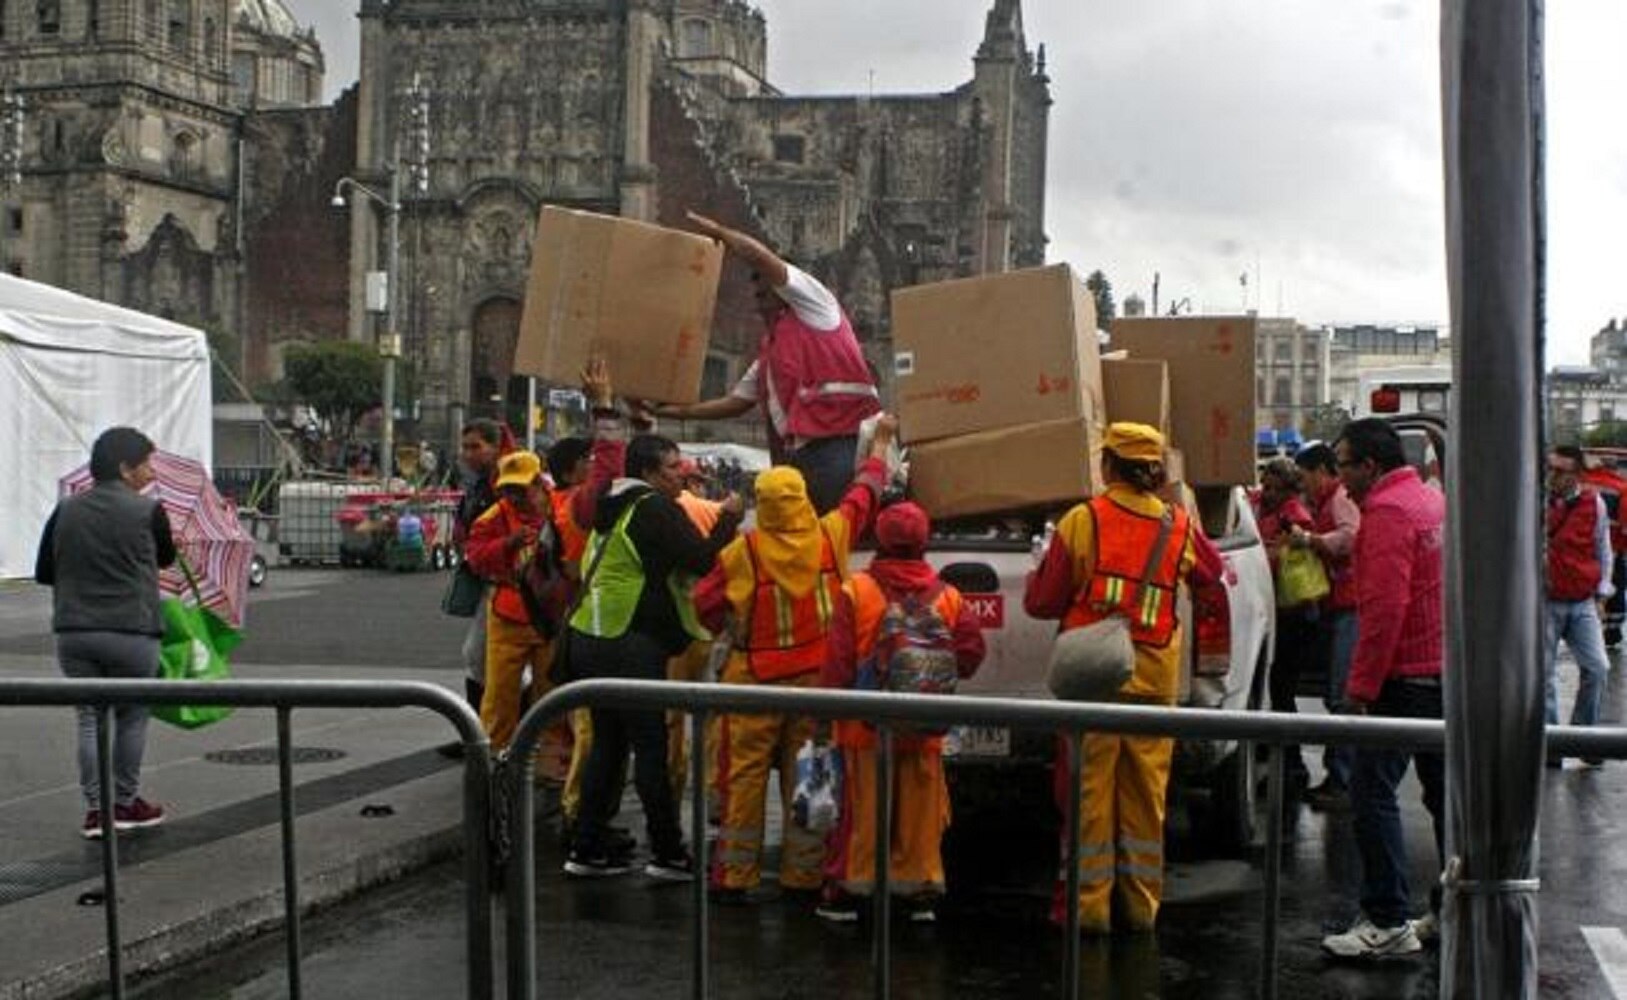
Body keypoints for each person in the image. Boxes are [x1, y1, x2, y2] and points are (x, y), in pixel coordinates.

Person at [692, 417, 897, 902]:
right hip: (816, 686)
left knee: (743, 778)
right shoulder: (831, 535)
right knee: (813, 775)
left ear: (762, 505)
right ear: (803, 497)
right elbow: (864, 493)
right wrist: (882, 444)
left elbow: (706, 605)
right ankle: (803, 875)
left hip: (754, 684)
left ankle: (735, 876)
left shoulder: (742, 553)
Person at [1024, 422, 1197, 934]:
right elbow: (1208, 577)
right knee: (1147, 799)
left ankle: (1088, 910)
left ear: (1109, 467)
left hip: (1094, 679)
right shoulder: (1181, 525)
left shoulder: (1082, 520)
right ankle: (1141, 909)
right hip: (1155, 680)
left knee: (1087, 797)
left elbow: (1043, 602)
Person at [564, 417, 744, 879]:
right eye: (670, 469)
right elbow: (703, 560)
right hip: (631, 639)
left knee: (608, 742)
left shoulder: (611, 503)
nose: (678, 477)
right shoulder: (653, 508)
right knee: (650, 747)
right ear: (646, 472)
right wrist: (728, 518)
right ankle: (667, 850)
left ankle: (588, 846)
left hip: (590, 636)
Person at [817, 501, 986, 923]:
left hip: (864, 728)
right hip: (924, 728)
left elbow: (837, 666)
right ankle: (917, 895)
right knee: (920, 814)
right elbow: (970, 655)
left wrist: (825, 715)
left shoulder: (856, 589)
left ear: (880, 540)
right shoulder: (947, 596)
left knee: (863, 813)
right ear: (924, 542)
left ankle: (851, 895)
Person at [650, 211, 882, 514]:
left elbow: (764, 260)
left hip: (840, 446)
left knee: (834, 535)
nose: (759, 304)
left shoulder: (817, 306)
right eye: (757, 296)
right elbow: (736, 402)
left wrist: (722, 232)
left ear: (785, 291)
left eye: (765, 294)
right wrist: (675, 411)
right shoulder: (771, 350)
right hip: (800, 457)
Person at [1321, 418, 1445, 959]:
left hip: (1404, 679)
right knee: (1444, 799)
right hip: (1439, 673)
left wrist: (1360, 687)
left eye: (1344, 464)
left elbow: (1384, 610)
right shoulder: (1427, 501)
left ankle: (1388, 919)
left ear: (1369, 465)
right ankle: (1449, 907)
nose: (1339, 479)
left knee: (1370, 794)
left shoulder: (1389, 513)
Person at [34, 427, 177, 838]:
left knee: (88, 719)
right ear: (124, 467)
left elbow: (45, 572)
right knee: (132, 717)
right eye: (145, 463)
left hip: (75, 631)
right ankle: (126, 803)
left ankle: (97, 811)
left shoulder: (65, 510)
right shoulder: (149, 511)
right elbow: (165, 558)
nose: (150, 472)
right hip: (133, 631)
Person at [462, 452, 574, 777]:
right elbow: (476, 558)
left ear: (539, 483)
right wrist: (507, 544)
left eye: (521, 489)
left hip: (551, 620)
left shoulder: (562, 508)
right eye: (508, 489)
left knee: (552, 696)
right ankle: (491, 763)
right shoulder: (493, 517)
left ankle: (554, 765)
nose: (514, 496)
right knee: (499, 697)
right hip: (508, 616)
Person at [1290, 442, 1361, 809]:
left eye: (1305, 478)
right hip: (1339, 606)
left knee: (1341, 696)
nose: (1305, 486)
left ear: (1321, 471)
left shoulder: (1340, 498)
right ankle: (1341, 778)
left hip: (1351, 608)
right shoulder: (1324, 501)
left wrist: (1312, 541)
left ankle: (1343, 782)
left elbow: (1350, 538)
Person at [1543, 445, 1614, 767]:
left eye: (1560, 471)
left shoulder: (1594, 504)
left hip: (1582, 600)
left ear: (1577, 475)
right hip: (1546, 600)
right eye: (1551, 469)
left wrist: (1601, 594)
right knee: (1542, 678)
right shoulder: (1537, 504)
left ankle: (1584, 737)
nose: (1553, 476)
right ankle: (1552, 746)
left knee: (1598, 668)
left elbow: (1603, 549)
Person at [1253, 457, 1317, 790]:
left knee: (1281, 691)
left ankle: (1292, 769)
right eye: (1265, 486)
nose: (1267, 493)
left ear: (1289, 489)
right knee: (1277, 690)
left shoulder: (1294, 516)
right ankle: (1282, 761)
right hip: (1279, 610)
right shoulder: (1263, 507)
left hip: (1293, 614)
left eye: (1275, 488)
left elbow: (1280, 558)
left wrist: (1261, 554)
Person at [452, 419, 513, 714]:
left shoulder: (506, 484)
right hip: (487, 575)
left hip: (508, 580)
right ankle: (478, 726)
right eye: (465, 447)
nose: (468, 454)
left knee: (486, 657)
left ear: (496, 447)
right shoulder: (478, 484)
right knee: (480, 657)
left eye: (476, 446)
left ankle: (485, 729)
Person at [1579, 455, 1627, 648]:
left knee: (1584, 587)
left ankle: (1585, 628)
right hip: (1613, 548)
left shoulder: (1582, 483)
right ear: (1615, 469)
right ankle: (1612, 631)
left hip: (1581, 547)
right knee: (1614, 586)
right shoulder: (1622, 488)